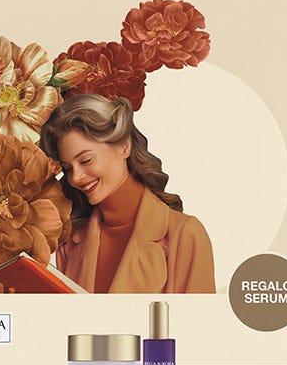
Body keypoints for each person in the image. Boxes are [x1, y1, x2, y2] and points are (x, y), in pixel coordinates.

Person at [39, 94, 215, 293]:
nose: (75, 177)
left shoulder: (185, 234)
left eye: (86, 160)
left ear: (124, 146)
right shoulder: (71, 243)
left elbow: (199, 315)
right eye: (68, 168)